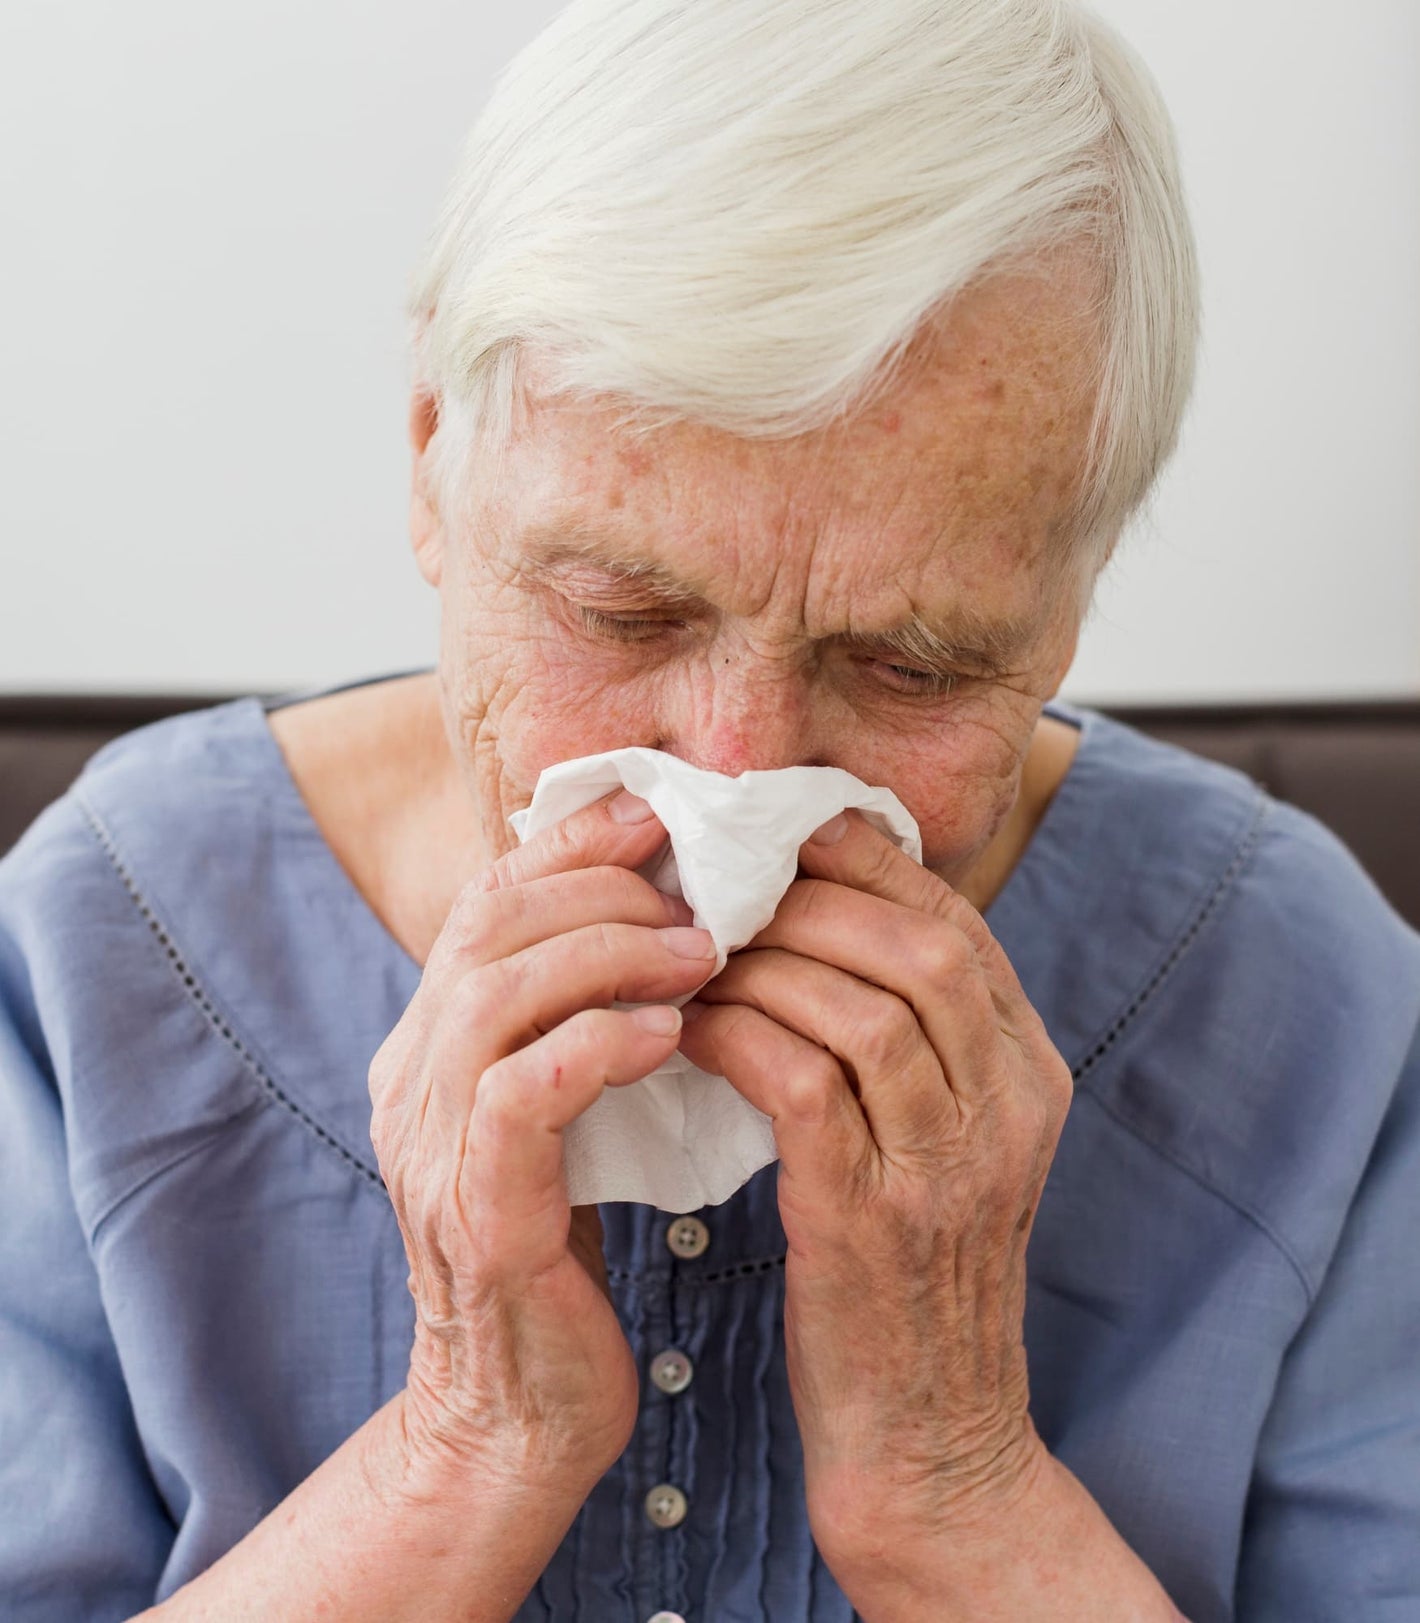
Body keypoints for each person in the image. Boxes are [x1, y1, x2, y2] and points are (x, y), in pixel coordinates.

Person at [2, 0, 1417, 1618]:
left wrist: (957, 1486)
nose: (733, 784)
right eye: (619, 615)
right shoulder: (97, 962)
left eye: (912, 661)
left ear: (1069, 611)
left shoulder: (1311, 1014)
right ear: (430, 476)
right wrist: (467, 1447)